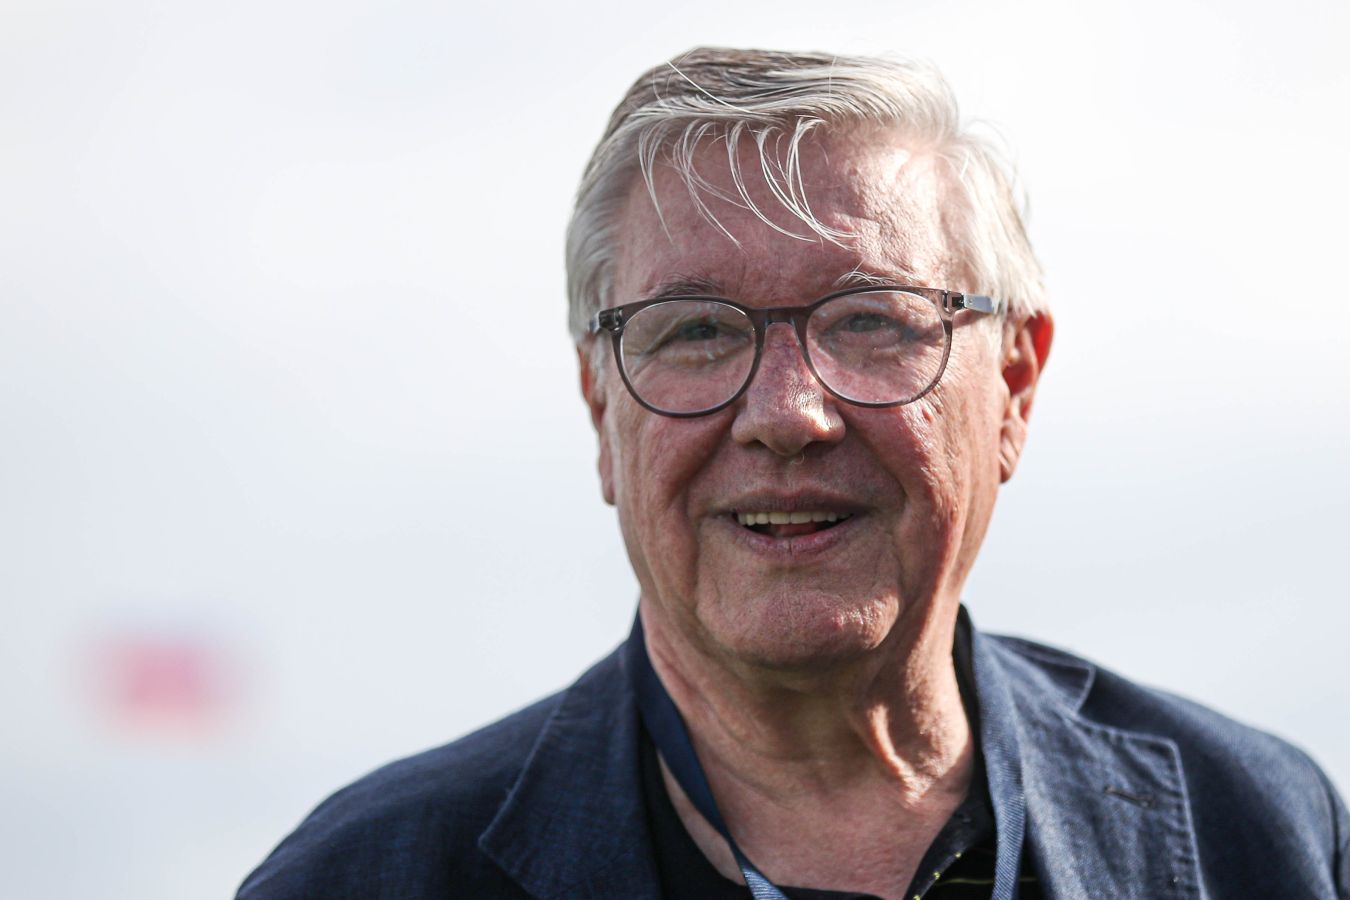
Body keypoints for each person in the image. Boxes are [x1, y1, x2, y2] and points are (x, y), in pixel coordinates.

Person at [237, 48, 1349, 899]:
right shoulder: (365, 878)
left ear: (1014, 383)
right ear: (599, 407)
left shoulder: (1263, 836)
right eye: (695, 333)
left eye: (871, 321)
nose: (787, 416)